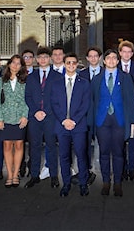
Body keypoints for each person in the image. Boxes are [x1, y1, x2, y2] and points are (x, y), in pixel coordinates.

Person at [88, 49, 134, 197]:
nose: (111, 60)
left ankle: (117, 183)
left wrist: (133, 122)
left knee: (118, 153)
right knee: (103, 153)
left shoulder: (126, 77)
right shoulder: (96, 79)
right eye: (108, 58)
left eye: (114, 58)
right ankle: (105, 182)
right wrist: (91, 123)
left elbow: (130, 101)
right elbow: (93, 101)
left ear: (118, 61)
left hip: (119, 120)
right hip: (102, 120)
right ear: (104, 61)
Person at [51, 53, 91, 197]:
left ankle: (83, 183)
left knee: (81, 155)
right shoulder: (56, 83)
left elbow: (85, 104)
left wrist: (73, 120)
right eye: (68, 63)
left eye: (74, 63)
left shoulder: (84, 83)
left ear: (77, 64)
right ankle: (66, 183)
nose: (71, 65)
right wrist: (64, 120)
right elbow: (54, 104)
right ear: (64, 64)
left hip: (78, 125)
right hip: (62, 126)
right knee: (64, 156)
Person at [24, 47, 61, 189]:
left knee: (51, 146)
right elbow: (27, 96)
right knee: (34, 146)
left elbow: (57, 97)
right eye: (41, 57)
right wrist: (35, 111)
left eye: (46, 57)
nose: (43, 59)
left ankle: (53, 176)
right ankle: (34, 175)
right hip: (35, 117)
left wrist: (45, 111)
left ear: (50, 59)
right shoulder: (31, 77)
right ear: (37, 60)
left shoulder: (57, 76)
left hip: (50, 117)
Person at [0, 54, 29, 188]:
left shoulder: (25, 81)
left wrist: (25, 116)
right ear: (9, 64)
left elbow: (28, 99)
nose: (15, 65)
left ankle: (16, 175)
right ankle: (10, 175)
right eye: (13, 63)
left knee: (19, 145)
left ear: (21, 66)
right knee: (7, 146)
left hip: (20, 117)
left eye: (18, 63)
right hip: (5, 118)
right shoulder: (1, 81)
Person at [76, 46, 103, 185]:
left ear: (99, 58)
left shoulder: (106, 73)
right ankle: (86, 169)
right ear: (87, 58)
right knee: (84, 143)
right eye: (90, 56)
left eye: (95, 56)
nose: (93, 58)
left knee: (100, 142)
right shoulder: (81, 74)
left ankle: (100, 168)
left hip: (101, 114)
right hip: (85, 115)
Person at [117, 40, 134, 181]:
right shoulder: (114, 66)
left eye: (129, 52)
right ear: (120, 53)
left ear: (132, 54)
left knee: (133, 141)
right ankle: (123, 168)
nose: (126, 54)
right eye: (123, 51)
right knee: (120, 141)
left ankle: (132, 168)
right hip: (119, 110)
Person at [19, 49, 35, 178]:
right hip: (20, 114)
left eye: (30, 57)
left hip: (33, 113)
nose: (28, 59)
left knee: (33, 142)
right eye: (25, 57)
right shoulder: (17, 74)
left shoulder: (37, 74)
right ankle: (21, 166)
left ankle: (31, 165)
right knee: (20, 142)